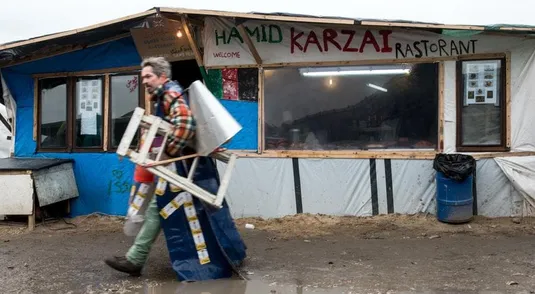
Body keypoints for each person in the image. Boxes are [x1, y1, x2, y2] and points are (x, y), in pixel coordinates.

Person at [105, 57, 246, 280]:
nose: (145, 82)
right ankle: (136, 258)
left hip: (182, 167)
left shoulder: (170, 93)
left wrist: (169, 152)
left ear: (162, 76)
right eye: (143, 78)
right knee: (160, 209)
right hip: (188, 167)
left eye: (148, 76)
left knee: (162, 209)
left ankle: (136, 259)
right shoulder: (166, 95)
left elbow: (185, 126)